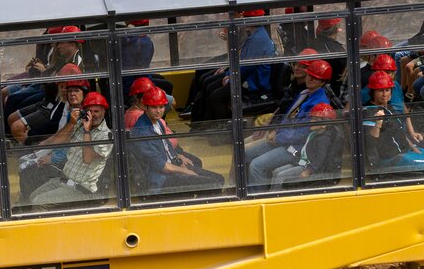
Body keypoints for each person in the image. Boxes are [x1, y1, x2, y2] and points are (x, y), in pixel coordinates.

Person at [245, 60, 333, 191]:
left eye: (315, 78)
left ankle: (259, 197)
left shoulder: (319, 103)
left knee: (256, 165)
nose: (310, 79)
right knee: (246, 154)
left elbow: (304, 133)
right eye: (309, 75)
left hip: (296, 149)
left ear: (323, 82)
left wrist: (279, 138)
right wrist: (276, 131)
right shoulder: (304, 95)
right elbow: (289, 116)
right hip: (284, 140)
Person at [27, 92, 113, 211]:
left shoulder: (106, 135)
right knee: (32, 196)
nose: (93, 115)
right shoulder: (79, 125)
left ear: (103, 112)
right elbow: (58, 140)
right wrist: (72, 122)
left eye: (96, 111)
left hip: (82, 189)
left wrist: (87, 132)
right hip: (64, 179)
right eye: (90, 111)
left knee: (39, 202)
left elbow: (87, 158)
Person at [129, 86, 224, 193]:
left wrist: (177, 157)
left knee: (219, 178)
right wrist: (185, 171)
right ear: (146, 107)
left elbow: (166, 146)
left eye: (161, 107)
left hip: (171, 167)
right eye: (154, 107)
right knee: (212, 184)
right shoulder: (142, 132)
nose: (158, 111)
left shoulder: (158, 122)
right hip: (160, 180)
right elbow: (160, 166)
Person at [364, 71, 424, 177]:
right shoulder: (368, 111)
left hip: (406, 151)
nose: (384, 94)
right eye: (380, 91)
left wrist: (415, 149)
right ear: (373, 92)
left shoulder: (389, 107)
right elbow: (371, 139)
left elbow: (400, 131)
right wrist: (378, 122)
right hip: (391, 158)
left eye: (387, 90)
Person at [269, 103, 343, 190]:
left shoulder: (323, 140)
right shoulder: (313, 134)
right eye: (312, 118)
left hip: (309, 167)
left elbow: (320, 159)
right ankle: (272, 192)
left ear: (324, 124)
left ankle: (276, 195)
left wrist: (309, 171)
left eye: (315, 120)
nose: (311, 121)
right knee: (276, 172)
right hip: (303, 162)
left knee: (281, 176)